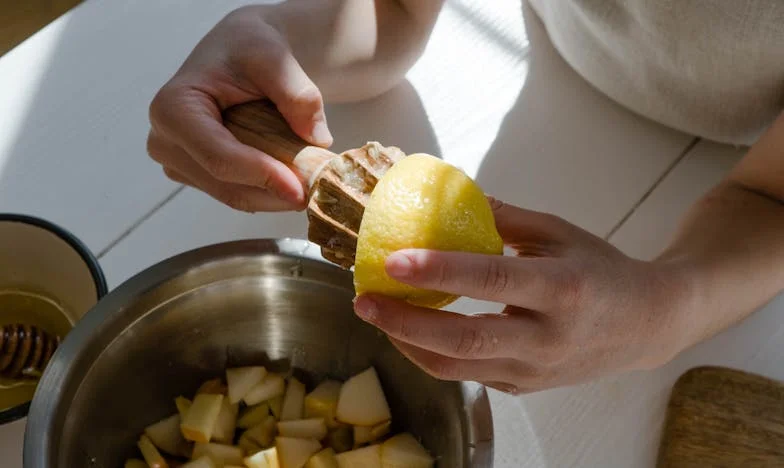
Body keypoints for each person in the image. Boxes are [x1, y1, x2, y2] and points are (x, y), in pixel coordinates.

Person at [146, 1, 784, 394]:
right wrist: (274, 34)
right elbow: (395, 9)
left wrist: (664, 313)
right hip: (553, 71)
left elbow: (770, 198)